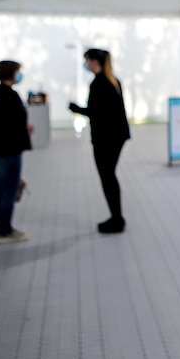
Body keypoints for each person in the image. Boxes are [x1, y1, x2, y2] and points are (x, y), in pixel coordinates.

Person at [68, 48, 130, 234]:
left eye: (87, 60)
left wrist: (75, 109)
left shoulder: (99, 83)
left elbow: (96, 112)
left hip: (106, 138)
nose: (85, 64)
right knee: (109, 176)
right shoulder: (112, 80)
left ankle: (116, 219)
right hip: (115, 136)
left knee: (107, 177)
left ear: (95, 61)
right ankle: (117, 217)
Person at [0, 60, 33, 244]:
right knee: (8, 191)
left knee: (5, 189)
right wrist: (22, 129)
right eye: (18, 72)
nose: (20, 75)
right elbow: (6, 126)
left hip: (4, 148)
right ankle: (5, 231)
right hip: (8, 150)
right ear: (12, 74)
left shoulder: (0, 95)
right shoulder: (7, 96)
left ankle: (3, 228)